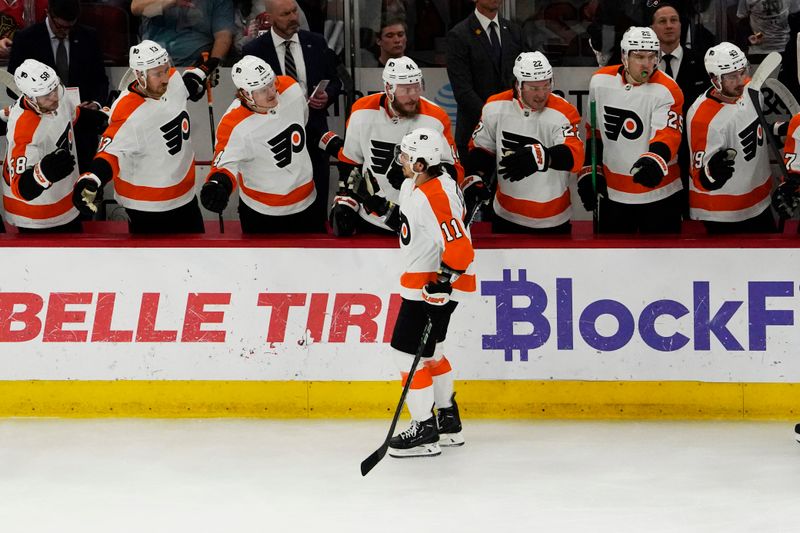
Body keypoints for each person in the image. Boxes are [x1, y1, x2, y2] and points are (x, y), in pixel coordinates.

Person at [349, 127, 475, 458]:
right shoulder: (415, 185)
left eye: (406, 156)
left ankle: (424, 428)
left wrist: (443, 284)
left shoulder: (435, 195)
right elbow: (408, 225)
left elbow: (460, 249)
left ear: (420, 164)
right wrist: (374, 204)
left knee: (404, 354)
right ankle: (448, 421)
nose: (400, 160)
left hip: (429, 286)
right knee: (432, 354)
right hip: (430, 282)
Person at [71, 40, 217, 234]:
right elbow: (111, 154)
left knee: (195, 261)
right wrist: (93, 179)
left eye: (166, 69)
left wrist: (201, 72)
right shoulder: (127, 111)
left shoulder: (170, 80)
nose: (165, 78)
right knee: (155, 264)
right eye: (157, 74)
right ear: (139, 74)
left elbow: (184, 87)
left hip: (185, 197)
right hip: (147, 207)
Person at [324, 56, 465, 237]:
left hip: (420, 218)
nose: (414, 96)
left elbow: (455, 172)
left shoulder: (435, 118)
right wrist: (346, 199)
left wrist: (421, 173)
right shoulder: (362, 111)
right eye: (406, 90)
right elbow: (350, 162)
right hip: (372, 216)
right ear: (389, 89)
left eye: (416, 87)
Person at [577, 26, 685, 234]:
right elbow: (595, 130)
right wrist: (590, 168)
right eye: (639, 57)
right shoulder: (600, 82)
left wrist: (655, 160)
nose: (647, 64)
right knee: (613, 265)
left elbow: (668, 135)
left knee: (663, 265)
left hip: (660, 194)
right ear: (624, 57)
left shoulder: (668, 89)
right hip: (613, 195)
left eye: (653, 56)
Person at [242, 0, 341, 226]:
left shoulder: (316, 42)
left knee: (317, 193)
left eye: (295, 11)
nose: (293, 17)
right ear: (270, 17)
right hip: (274, 136)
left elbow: (335, 81)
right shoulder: (254, 51)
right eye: (285, 14)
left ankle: (317, 237)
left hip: (314, 131)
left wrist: (328, 96)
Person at [200, 55, 321, 233]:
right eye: (263, 90)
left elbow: (302, 122)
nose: (272, 93)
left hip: (307, 203)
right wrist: (218, 185)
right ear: (245, 94)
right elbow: (225, 166)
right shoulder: (233, 124)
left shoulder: (290, 88)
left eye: (272, 83)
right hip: (262, 213)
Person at [467, 51, 584, 234]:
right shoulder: (494, 106)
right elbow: (482, 150)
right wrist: (475, 176)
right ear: (518, 85)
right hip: (505, 215)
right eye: (534, 88)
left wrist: (543, 156)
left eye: (546, 86)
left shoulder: (564, 112)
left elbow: (575, 157)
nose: (541, 95)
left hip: (553, 220)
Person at [7, 0, 110, 173]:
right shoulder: (26, 38)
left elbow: (100, 80)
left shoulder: (89, 37)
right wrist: (38, 103)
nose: (65, 32)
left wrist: (96, 104)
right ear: (48, 13)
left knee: (84, 180)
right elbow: (13, 86)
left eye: (70, 27)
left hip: (81, 126)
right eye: (60, 27)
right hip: (42, 125)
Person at [687, 42, 778, 234]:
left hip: (759, 202)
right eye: (731, 76)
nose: (740, 80)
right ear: (715, 78)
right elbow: (700, 176)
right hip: (724, 212)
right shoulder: (703, 118)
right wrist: (711, 173)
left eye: (742, 72)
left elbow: (754, 129)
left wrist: (781, 129)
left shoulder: (751, 91)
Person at [2, 59, 79, 233]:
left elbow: (71, 114)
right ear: (30, 97)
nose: (54, 97)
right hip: (35, 216)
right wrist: (42, 173)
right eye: (46, 94)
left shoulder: (58, 93)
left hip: (67, 201)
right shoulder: (23, 129)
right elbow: (20, 186)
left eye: (54, 88)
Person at [651, 2, 710, 217]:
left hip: (692, 153)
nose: (669, 26)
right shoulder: (641, 66)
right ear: (653, 28)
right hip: (655, 151)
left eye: (673, 20)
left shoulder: (702, 62)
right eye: (662, 21)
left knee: (692, 218)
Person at [446, 0, 525, 159]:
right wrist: (492, 119)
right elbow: (463, 91)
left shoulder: (514, 31)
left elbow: (521, 79)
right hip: (474, 134)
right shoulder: (459, 35)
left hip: (513, 132)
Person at [131, 0, 235, 67]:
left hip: (195, 64)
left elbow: (223, 37)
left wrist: (211, 67)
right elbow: (135, 7)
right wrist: (171, 1)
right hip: (152, 62)